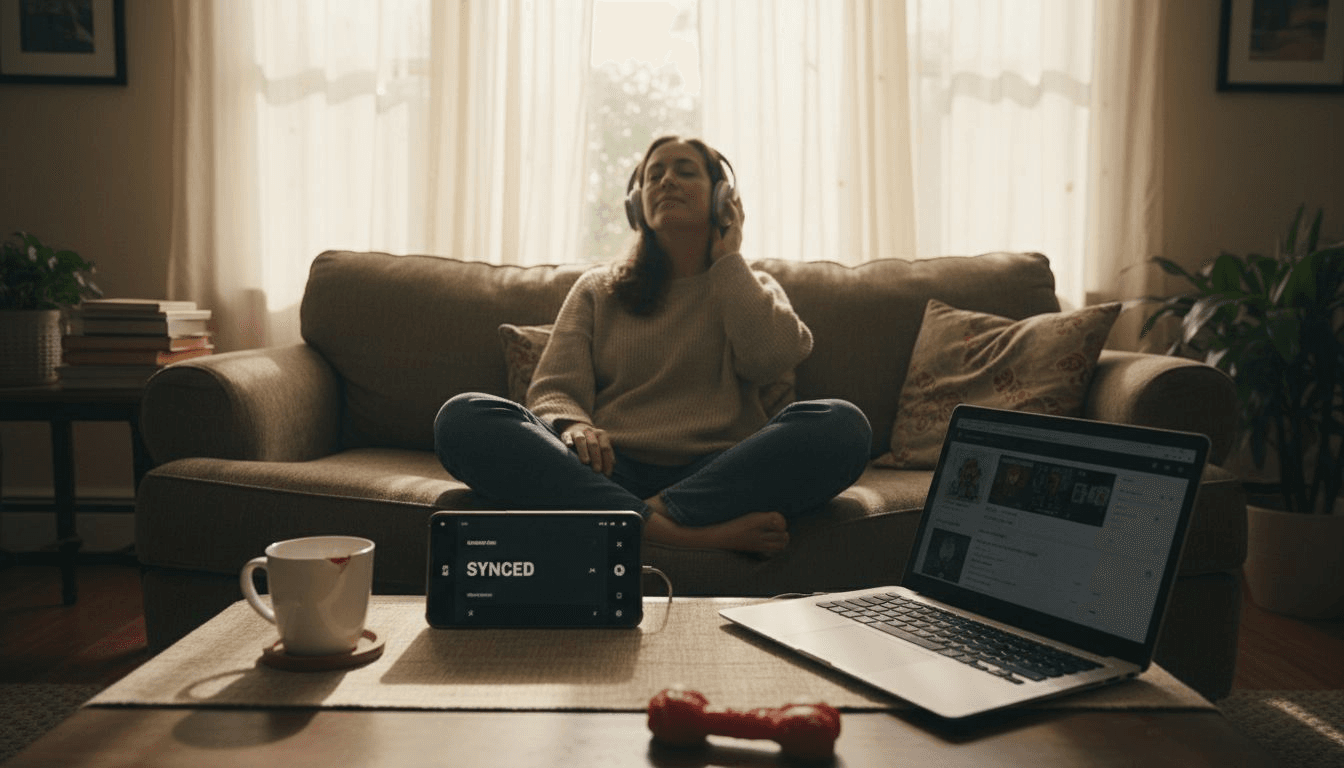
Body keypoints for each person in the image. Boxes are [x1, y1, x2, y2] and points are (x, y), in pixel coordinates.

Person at [434, 136, 871, 555]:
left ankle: (629, 519)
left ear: (722, 198)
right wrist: (575, 427)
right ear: (635, 205)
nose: (666, 181)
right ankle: (679, 534)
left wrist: (730, 261)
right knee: (463, 417)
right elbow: (554, 388)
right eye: (654, 174)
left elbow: (770, 358)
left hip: (717, 472)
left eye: (685, 171)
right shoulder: (597, 289)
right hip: (607, 469)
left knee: (843, 426)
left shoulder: (748, 285)